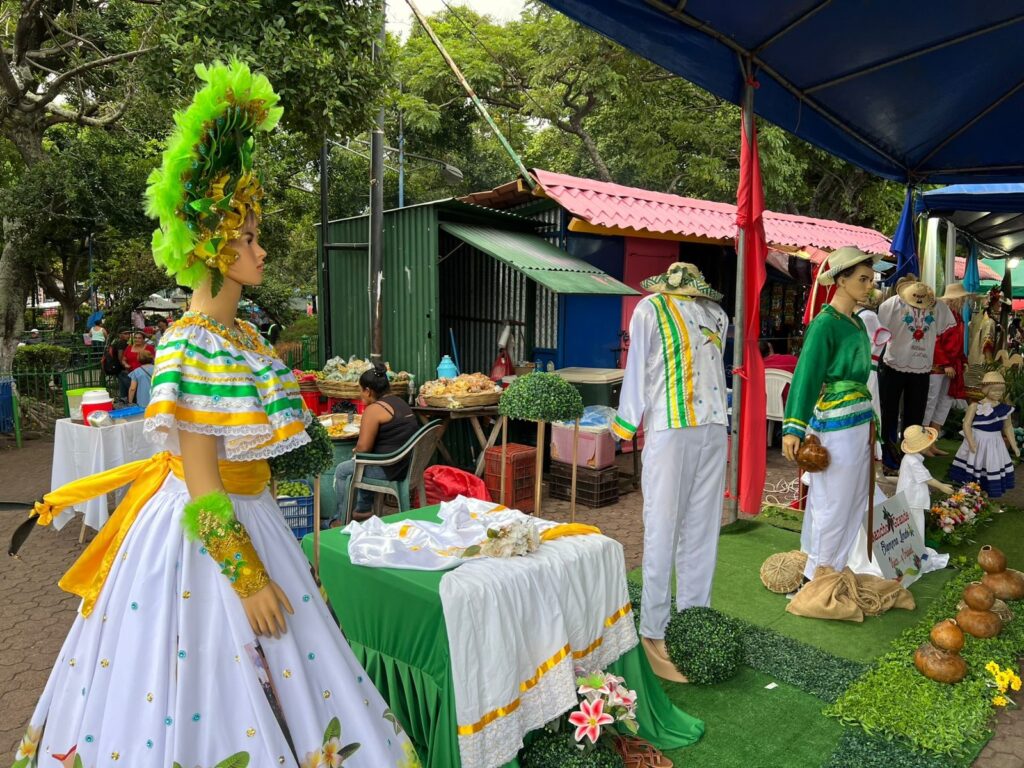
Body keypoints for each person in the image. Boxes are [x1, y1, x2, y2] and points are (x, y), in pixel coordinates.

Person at [11, 60, 417, 768]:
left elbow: (258, 453)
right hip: (202, 537)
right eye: (249, 237)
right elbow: (202, 481)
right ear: (213, 245)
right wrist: (250, 579)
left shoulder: (245, 336)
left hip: (254, 517)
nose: (261, 249)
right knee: (189, 677)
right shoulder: (188, 341)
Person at [612, 262, 729, 682]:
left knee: (703, 528)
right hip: (671, 427)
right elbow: (637, 371)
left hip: (713, 426)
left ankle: (694, 619)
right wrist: (627, 423)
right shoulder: (650, 309)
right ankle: (654, 628)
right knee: (662, 526)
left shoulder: (718, 314)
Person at [782, 246, 879, 584]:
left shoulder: (858, 324)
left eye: (871, 279)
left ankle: (831, 569)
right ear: (840, 280)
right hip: (837, 422)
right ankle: (817, 575)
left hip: (860, 419)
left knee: (853, 498)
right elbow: (806, 375)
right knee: (833, 499)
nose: (869, 286)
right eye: (862, 279)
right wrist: (793, 428)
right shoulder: (825, 324)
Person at [877, 276, 955, 472]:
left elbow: (945, 328)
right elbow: (880, 328)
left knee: (915, 415)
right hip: (893, 364)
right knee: (888, 412)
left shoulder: (937, 306)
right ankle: (886, 455)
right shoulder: (892, 304)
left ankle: (910, 458)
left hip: (921, 368)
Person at [332, 363, 418, 525]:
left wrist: (356, 450)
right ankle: (363, 509)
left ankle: (340, 519)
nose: (360, 395)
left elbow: (363, 449)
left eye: (360, 390)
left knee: (343, 469)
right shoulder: (400, 402)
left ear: (368, 391)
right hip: (407, 465)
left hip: (390, 469)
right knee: (364, 461)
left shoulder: (374, 410)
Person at [949, 371, 1019, 497]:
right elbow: (966, 425)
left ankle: (986, 491)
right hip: (977, 441)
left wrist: (1014, 446)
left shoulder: (1004, 409)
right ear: (986, 389)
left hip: (995, 443)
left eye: (1001, 391)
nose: (998, 393)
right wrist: (971, 442)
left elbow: (1008, 427)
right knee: (975, 463)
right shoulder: (975, 406)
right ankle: (972, 490)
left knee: (991, 464)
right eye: (994, 390)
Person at [923, 282, 971, 454]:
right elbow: (934, 340)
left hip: (951, 365)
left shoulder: (957, 316)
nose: (964, 302)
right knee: (931, 402)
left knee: (944, 402)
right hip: (938, 366)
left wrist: (962, 360)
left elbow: (957, 343)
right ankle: (923, 443)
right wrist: (946, 363)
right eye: (962, 299)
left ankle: (932, 442)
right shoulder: (940, 313)